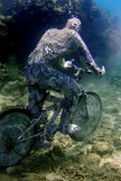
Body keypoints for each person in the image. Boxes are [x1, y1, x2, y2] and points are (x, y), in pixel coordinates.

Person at [26, 17, 105, 147]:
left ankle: (34, 139)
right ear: (77, 28)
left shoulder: (50, 32)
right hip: (43, 71)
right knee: (75, 90)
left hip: (30, 68)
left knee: (36, 108)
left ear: (66, 24)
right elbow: (87, 58)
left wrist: (63, 64)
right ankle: (64, 126)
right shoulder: (74, 35)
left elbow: (46, 50)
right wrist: (98, 72)